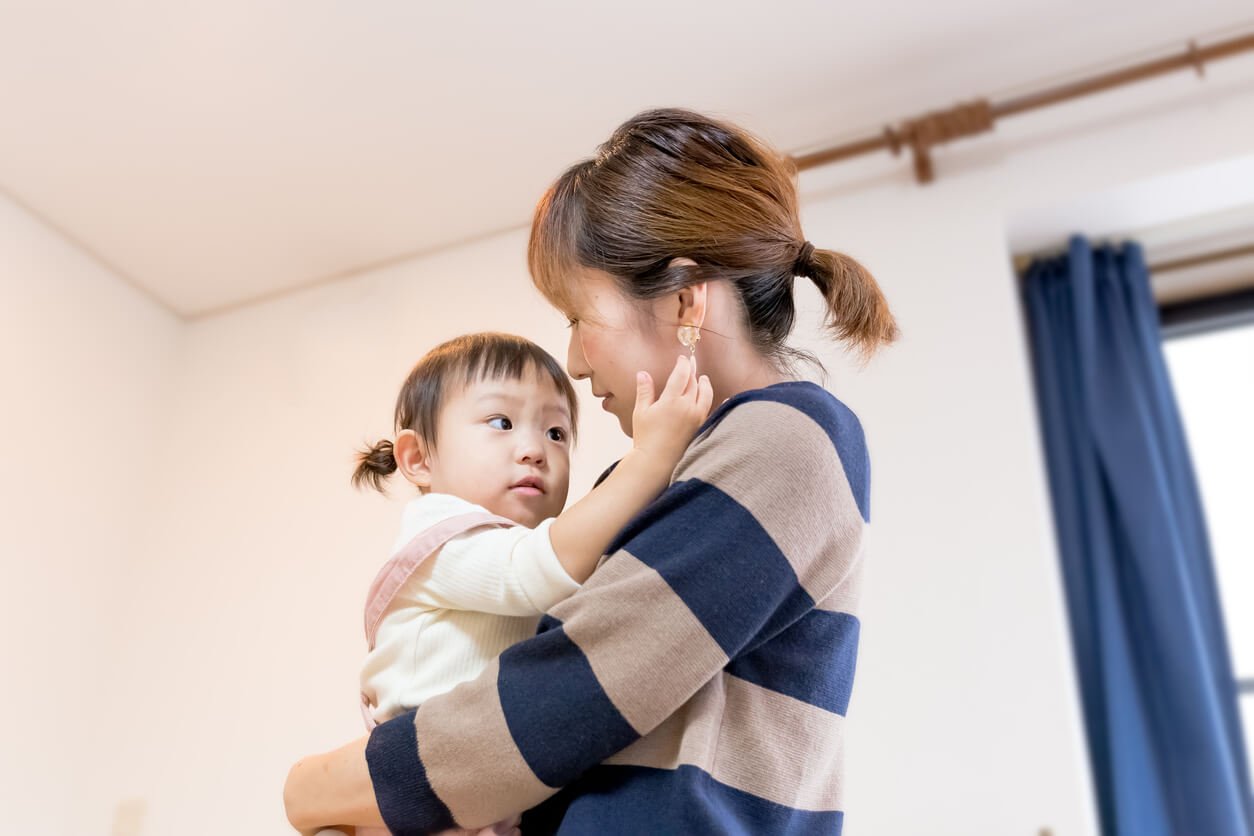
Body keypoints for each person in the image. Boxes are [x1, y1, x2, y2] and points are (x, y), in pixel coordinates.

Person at [285, 107, 899, 835]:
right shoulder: (651, 480)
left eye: (578, 317)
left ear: (683, 299)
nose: (574, 363)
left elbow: (572, 693)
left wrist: (324, 786)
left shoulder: (787, 437)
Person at [311, 332, 711, 836]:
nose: (533, 451)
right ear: (418, 459)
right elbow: (533, 572)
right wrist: (651, 457)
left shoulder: (526, 546)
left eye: (556, 434)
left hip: (480, 800)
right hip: (410, 796)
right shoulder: (440, 531)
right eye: (501, 423)